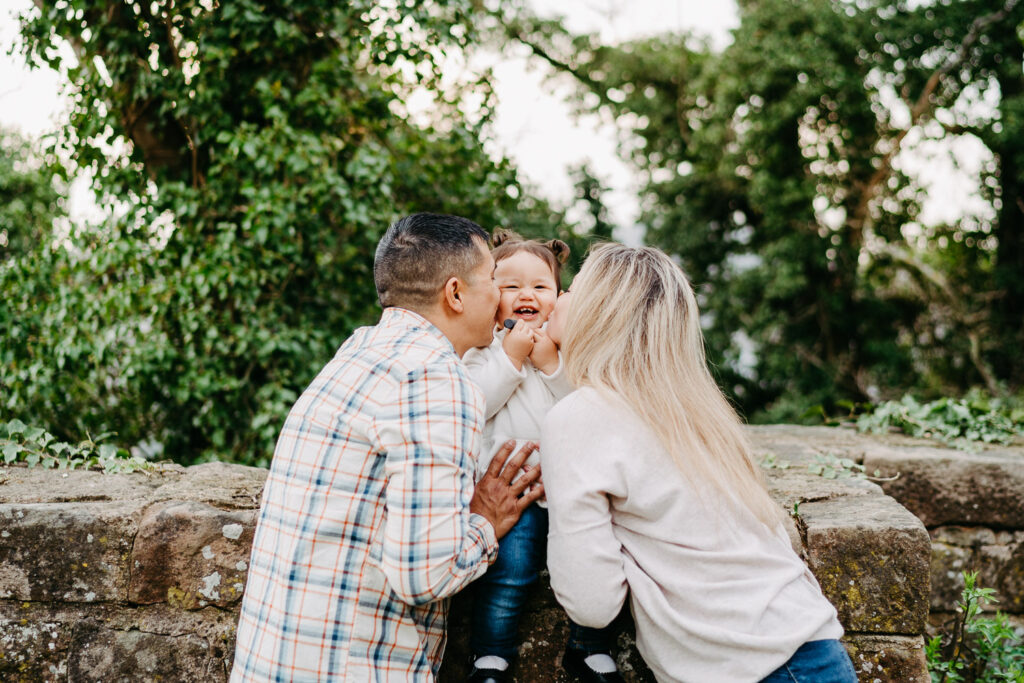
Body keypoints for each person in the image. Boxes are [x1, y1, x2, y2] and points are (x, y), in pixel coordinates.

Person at [230, 213, 544, 682]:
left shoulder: (359, 350)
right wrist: (484, 519)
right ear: (455, 294)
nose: (501, 296)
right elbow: (425, 574)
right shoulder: (438, 379)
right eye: (493, 280)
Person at [540, 243, 857, 683]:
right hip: (814, 650)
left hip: (754, 668)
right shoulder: (696, 411)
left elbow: (592, 604)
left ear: (598, 312)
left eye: (572, 289)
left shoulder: (579, 418)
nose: (558, 298)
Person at [462, 231, 622, 683]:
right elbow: (474, 404)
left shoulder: (569, 348)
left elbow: (587, 404)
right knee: (509, 573)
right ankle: (491, 655)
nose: (526, 295)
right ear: (490, 295)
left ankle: (591, 648)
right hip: (513, 495)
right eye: (510, 286)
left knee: (593, 567)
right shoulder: (482, 350)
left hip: (569, 489)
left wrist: (551, 363)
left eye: (540, 286)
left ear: (559, 296)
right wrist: (511, 359)